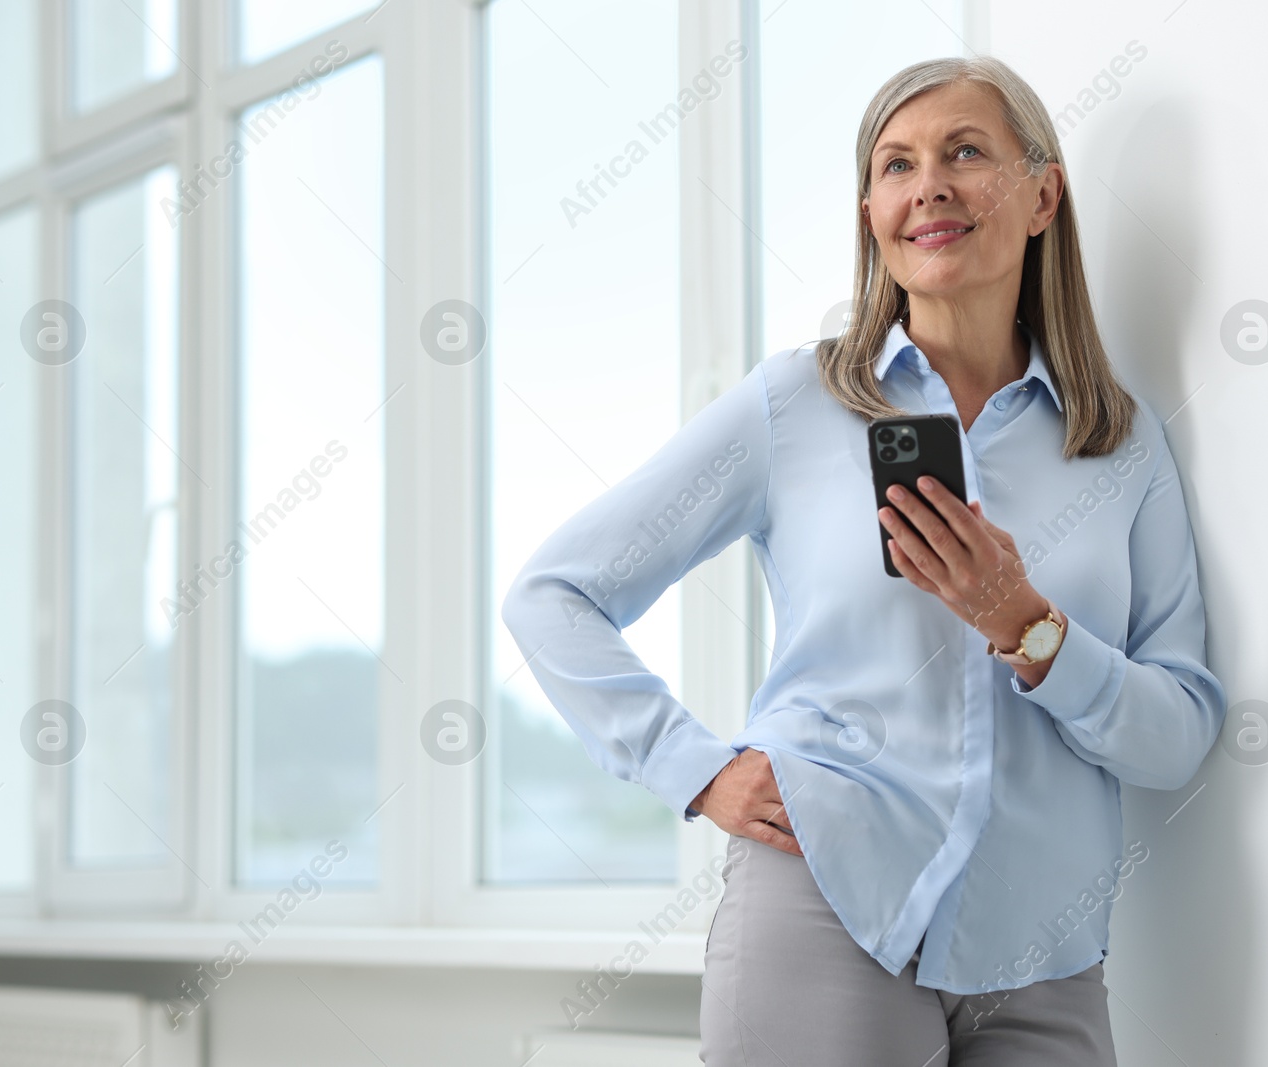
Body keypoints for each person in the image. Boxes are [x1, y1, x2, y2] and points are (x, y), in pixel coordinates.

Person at [501, 54, 1226, 1066]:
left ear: (1040, 195)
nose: (925, 184)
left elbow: (1178, 735)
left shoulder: (1117, 440)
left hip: (1044, 949)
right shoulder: (797, 405)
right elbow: (553, 593)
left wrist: (1028, 625)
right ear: (871, 214)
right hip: (827, 907)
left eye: (964, 152)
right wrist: (695, 768)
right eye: (895, 164)